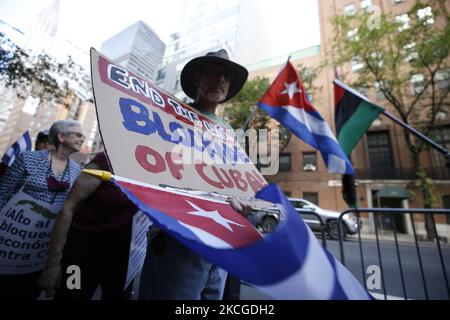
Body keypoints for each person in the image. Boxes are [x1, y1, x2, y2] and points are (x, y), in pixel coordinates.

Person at [138, 49, 249, 300]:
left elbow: (233, 178)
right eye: (212, 72)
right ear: (197, 78)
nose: (219, 79)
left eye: (225, 76)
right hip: (179, 236)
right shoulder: (170, 116)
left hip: (220, 236)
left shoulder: (228, 131)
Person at [0, 120, 84, 299]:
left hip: (40, 247)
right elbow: (3, 194)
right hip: (9, 240)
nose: (82, 138)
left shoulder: (77, 171)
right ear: (61, 137)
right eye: (77, 134)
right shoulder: (28, 159)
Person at [38, 152, 138, 300]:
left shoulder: (155, 171)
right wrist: (52, 265)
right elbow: (68, 208)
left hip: (122, 256)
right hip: (81, 253)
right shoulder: (105, 161)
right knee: (72, 295)